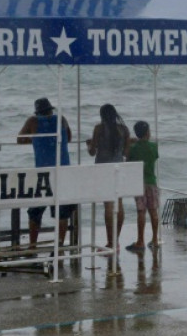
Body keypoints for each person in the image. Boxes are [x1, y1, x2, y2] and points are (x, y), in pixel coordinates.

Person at [17, 97, 75, 249]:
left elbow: (20, 139)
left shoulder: (32, 121)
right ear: (50, 109)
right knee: (62, 212)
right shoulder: (61, 119)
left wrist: (35, 140)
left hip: (42, 173)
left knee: (35, 211)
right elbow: (68, 138)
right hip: (63, 170)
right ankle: (60, 244)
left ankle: (32, 245)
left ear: (37, 112)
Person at [86, 104, 131, 252]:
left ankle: (110, 243)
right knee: (119, 204)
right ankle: (116, 241)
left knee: (108, 206)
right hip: (119, 169)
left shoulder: (99, 129)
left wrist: (90, 145)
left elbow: (92, 152)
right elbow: (126, 152)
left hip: (103, 169)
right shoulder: (124, 130)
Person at [126, 120, 160, 253]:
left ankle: (140, 240)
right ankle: (155, 239)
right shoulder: (154, 147)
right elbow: (155, 156)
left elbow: (128, 159)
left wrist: (131, 143)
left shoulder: (134, 148)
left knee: (141, 212)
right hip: (151, 181)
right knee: (153, 211)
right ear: (148, 133)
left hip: (139, 183)